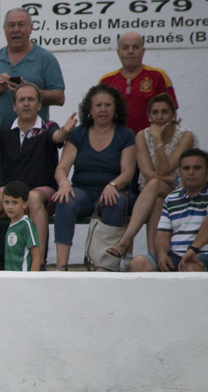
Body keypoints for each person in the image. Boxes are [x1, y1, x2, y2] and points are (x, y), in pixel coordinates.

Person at [0, 8, 65, 267]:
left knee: (29, 200)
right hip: (2, 141)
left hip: (36, 143)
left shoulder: (44, 58)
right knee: (4, 204)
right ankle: (0, 259)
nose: (16, 30)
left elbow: (59, 96)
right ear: (4, 30)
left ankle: (35, 260)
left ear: (30, 28)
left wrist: (28, 89)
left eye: (21, 25)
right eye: (11, 25)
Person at [0, 84, 68, 270]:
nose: (26, 104)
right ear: (14, 106)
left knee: (33, 198)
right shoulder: (4, 130)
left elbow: (58, 137)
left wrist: (66, 130)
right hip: (13, 191)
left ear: (39, 105)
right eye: (21, 100)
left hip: (43, 191)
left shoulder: (48, 127)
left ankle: (38, 262)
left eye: (30, 99)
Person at [52, 84, 136, 271]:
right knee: (65, 200)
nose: (103, 110)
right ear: (90, 109)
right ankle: (61, 266)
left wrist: (113, 185)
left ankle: (105, 265)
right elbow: (62, 167)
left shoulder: (126, 135)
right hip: (83, 190)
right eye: (98, 105)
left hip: (116, 190)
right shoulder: (79, 133)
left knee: (114, 200)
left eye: (108, 105)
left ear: (116, 109)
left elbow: (128, 173)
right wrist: (64, 183)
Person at [106, 94, 197, 259]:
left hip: (182, 190)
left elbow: (163, 170)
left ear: (174, 115)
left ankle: (124, 242)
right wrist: (169, 178)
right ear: (149, 116)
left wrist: (157, 140)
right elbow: (147, 173)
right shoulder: (141, 135)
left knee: (155, 185)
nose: (160, 117)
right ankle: (155, 258)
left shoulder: (185, 136)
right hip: (154, 190)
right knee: (157, 200)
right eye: (155, 113)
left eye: (165, 112)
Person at [129, 149, 208, 272]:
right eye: (186, 168)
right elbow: (162, 233)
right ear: (180, 172)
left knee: (191, 267)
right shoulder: (171, 198)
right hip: (176, 256)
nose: (191, 172)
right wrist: (161, 254)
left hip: (202, 254)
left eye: (197, 168)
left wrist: (192, 250)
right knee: (138, 263)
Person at [98, 32, 177, 134]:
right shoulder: (106, 81)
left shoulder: (158, 76)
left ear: (143, 51)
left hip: (151, 141)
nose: (130, 51)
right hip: (117, 142)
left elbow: (171, 113)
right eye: (125, 47)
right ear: (118, 52)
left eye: (135, 47)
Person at [1, 180, 41, 271]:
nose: (10, 206)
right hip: (11, 280)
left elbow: (37, 256)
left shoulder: (27, 225)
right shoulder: (11, 225)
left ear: (25, 204)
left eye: (14, 203)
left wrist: (31, 280)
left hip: (23, 281)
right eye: (6, 202)